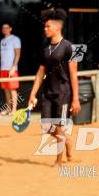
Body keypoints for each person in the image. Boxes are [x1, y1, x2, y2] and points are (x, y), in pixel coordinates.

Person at [28, 9, 80, 167]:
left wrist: (75, 99)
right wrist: (32, 94)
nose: (45, 29)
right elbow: (40, 73)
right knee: (46, 126)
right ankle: (67, 140)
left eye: (47, 26)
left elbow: (74, 75)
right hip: (47, 93)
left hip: (63, 94)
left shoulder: (69, 47)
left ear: (57, 28)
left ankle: (58, 161)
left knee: (58, 126)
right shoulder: (45, 49)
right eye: (45, 27)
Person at [0, 22, 21, 114]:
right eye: (3, 28)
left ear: (10, 29)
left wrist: (13, 67)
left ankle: (14, 110)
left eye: (6, 28)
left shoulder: (15, 39)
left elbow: (18, 54)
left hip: (12, 69)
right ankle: (8, 108)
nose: (5, 29)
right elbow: (3, 56)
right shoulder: (2, 41)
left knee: (12, 89)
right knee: (6, 89)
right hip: (3, 68)